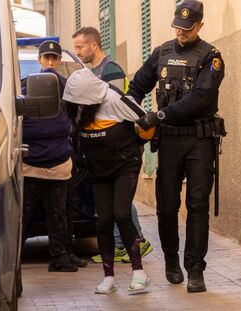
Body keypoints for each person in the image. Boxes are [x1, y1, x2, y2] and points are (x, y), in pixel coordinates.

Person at [128, 0, 225, 293]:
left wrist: (159, 114)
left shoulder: (211, 56)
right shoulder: (161, 53)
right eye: (178, 28)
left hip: (199, 138)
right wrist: (130, 111)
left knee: (197, 204)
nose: (181, 33)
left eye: (188, 28)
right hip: (168, 138)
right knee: (167, 205)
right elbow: (137, 87)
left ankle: (195, 268)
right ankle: (171, 261)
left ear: (200, 26)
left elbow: (201, 97)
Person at [63, 68, 153, 294]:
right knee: (103, 221)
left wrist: (139, 140)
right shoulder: (76, 109)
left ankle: (139, 273)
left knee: (121, 213)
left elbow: (147, 121)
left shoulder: (114, 100)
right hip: (98, 169)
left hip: (125, 165)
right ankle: (108, 277)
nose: (78, 105)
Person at [72, 26, 153, 264]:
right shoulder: (93, 71)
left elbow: (111, 105)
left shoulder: (111, 71)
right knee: (117, 201)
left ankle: (129, 243)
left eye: (80, 47)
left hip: (121, 143)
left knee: (121, 202)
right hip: (105, 145)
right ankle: (130, 241)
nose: (77, 53)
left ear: (93, 45)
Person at [22, 40, 85, 272]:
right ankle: (12, 258)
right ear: (39, 60)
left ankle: (60, 257)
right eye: (46, 58)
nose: (49, 62)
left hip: (59, 163)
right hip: (31, 164)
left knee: (60, 214)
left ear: (59, 61)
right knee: (23, 217)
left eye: (54, 58)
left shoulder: (67, 88)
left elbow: (76, 117)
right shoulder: (25, 88)